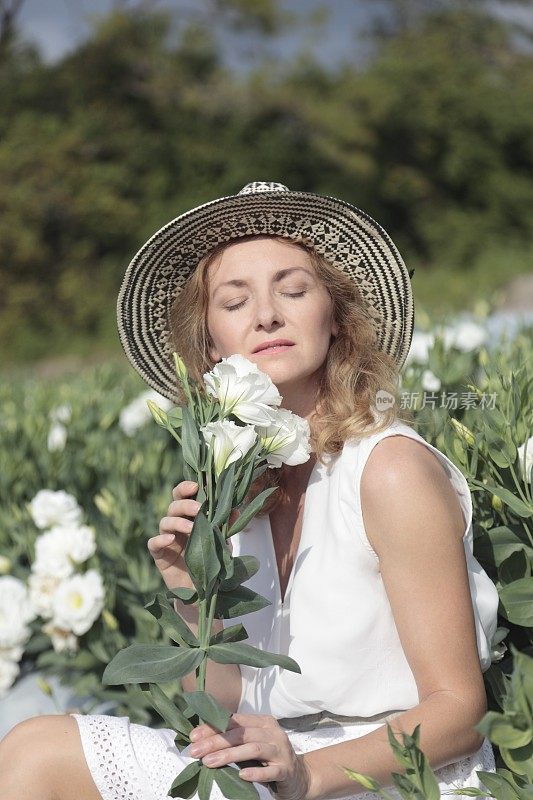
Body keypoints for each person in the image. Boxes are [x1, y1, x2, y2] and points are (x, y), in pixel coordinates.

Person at [0, 181, 499, 800]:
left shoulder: (388, 469)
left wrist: (308, 773)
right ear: (209, 344)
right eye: (235, 302)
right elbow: (221, 704)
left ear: (337, 318)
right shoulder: (235, 484)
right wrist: (190, 586)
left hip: (391, 777)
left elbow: (461, 714)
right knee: (34, 748)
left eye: (293, 290)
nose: (267, 315)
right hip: (273, 767)